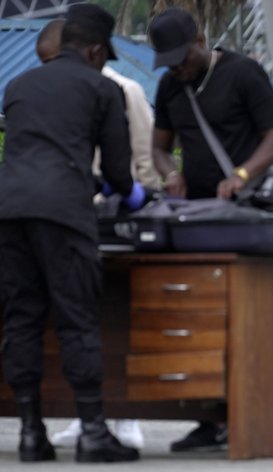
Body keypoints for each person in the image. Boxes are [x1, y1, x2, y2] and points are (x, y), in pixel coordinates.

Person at [0, 4, 143, 463]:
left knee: (21, 320)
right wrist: (130, 193)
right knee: (77, 319)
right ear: (97, 50)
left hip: (9, 212)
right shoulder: (101, 89)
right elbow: (120, 173)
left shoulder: (17, 87)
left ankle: (30, 434)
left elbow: (34, 153)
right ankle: (94, 434)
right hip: (63, 215)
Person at [147, 7, 273, 451]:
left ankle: (250, 415)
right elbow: (159, 147)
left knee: (240, 321)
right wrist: (171, 173)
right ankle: (208, 420)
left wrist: (242, 175)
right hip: (198, 217)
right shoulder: (171, 84)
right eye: (169, 61)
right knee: (197, 319)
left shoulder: (244, 73)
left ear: (201, 41)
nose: (178, 67)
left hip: (245, 213)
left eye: (182, 58)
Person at [35, 17, 160, 450]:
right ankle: (85, 414)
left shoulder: (125, 90)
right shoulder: (47, 87)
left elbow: (141, 160)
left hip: (109, 216)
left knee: (114, 316)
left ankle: (123, 415)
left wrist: (136, 198)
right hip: (66, 218)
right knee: (75, 321)